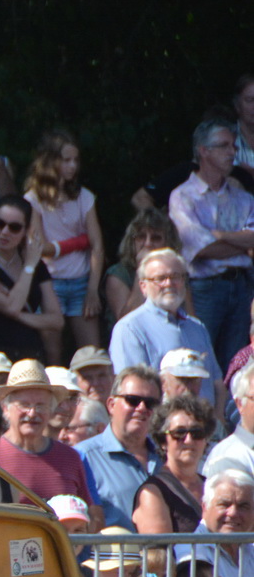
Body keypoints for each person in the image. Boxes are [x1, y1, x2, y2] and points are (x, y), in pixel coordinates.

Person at [170, 119, 254, 369]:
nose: (232, 152)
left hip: (242, 286)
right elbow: (200, 248)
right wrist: (242, 244)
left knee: (239, 364)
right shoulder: (183, 197)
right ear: (203, 151)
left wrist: (218, 234)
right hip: (204, 289)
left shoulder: (243, 198)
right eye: (224, 146)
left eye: (234, 147)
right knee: (200, 359)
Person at [110, 248, 225, 409]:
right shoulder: (130, 328)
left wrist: (218, 421)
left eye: (175, 276)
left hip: (208, 428)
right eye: (160, 278)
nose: (169, 283)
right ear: (143, 286)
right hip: (165, 429)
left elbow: (217, 384)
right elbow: (133, 392)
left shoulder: (197, 327)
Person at [24, 130, 103, 355]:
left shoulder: (84, 196)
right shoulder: (33, 200)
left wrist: (93, 289)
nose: (73, 166)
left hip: (82, 282)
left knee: (92, 353)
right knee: (53, 358)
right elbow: (40, 248)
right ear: (50, 161)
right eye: (66, 160)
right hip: (51, 284)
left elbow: (97, 244)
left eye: (75, 160)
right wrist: (80, 241)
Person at [0, 359, 96, 512]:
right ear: (6, 408)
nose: (32, 413)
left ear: (51, 409)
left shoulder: (70, 458)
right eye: (24, 405)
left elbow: (88, 517)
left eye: (40, 405)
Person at [0, 195, 63, 363]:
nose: (4, 232)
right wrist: (28, 268)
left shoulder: (37, 265)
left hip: (32, 355)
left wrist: (20, 316)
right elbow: (12, 307)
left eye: (14, 227)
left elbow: (56, 320)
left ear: (26, 231)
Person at [77, 364, 162, 530]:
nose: (142, 408)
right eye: (133, 400)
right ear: (111, 405)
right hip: (109, 556)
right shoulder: (82, 457)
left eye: (151, 403)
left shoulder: (167, 456)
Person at [133, 394, 215, 534]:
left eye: (197, 432)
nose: (188, 440)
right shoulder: (152, 493)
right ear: (163, 441)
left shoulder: (212, 486)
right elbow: (158, 553)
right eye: (179, 433)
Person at [102, 209, 182, 324]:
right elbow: (127, 321)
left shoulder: (177, 273)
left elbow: (188, 316)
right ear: (132, 241)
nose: (148, 243)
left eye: (156, 238)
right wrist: (143, 269)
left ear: (167, 243)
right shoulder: (117, 275)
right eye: (141, 237)